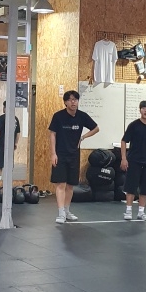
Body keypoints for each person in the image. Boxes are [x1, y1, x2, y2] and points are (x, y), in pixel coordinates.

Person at [49, 90, 99, 224]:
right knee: (61, 184)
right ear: (65, 102)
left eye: (75, 100)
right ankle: (60, 213)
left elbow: (96, 128)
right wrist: (53, 153)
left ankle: (66, 211)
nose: (73, 102)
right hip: (60, 154)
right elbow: (52, 134)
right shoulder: (58, 116)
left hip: (74, 155)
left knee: (70, 185)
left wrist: (83, 137)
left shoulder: (82, 116)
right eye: (70, 100)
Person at [120, 100, 146, 222]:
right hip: (134, 161)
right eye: (143, 108)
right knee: (131, 187)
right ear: (140, 110)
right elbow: (124, 141)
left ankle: (141, 212)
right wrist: (124, 158)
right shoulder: (134, 125)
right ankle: (128, 211)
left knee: (145, 188)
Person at [0, 100, 20, 180]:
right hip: (11, 143)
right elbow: (18, 132)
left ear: (5, 108)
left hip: (2, 142)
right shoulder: (15, 119)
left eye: (3, 107)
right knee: (9, 161)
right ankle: (9, 179)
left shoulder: (1, 118)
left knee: (0, 162)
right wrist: (16, 143)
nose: (3, 109)